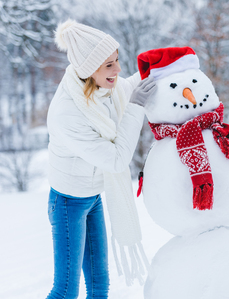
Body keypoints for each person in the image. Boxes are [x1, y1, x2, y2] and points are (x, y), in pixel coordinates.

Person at [46, 19, 156, 298]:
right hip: (68, 203)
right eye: (109, 65)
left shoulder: (96, 87)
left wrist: (159, 67)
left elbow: (125, 88)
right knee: (65, 291)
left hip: (93, 196)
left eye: (117, 60)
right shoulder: (67, 114)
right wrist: (136, 108)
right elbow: (117, 160)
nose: (118, 69)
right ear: (89, 69)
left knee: (98, 285)